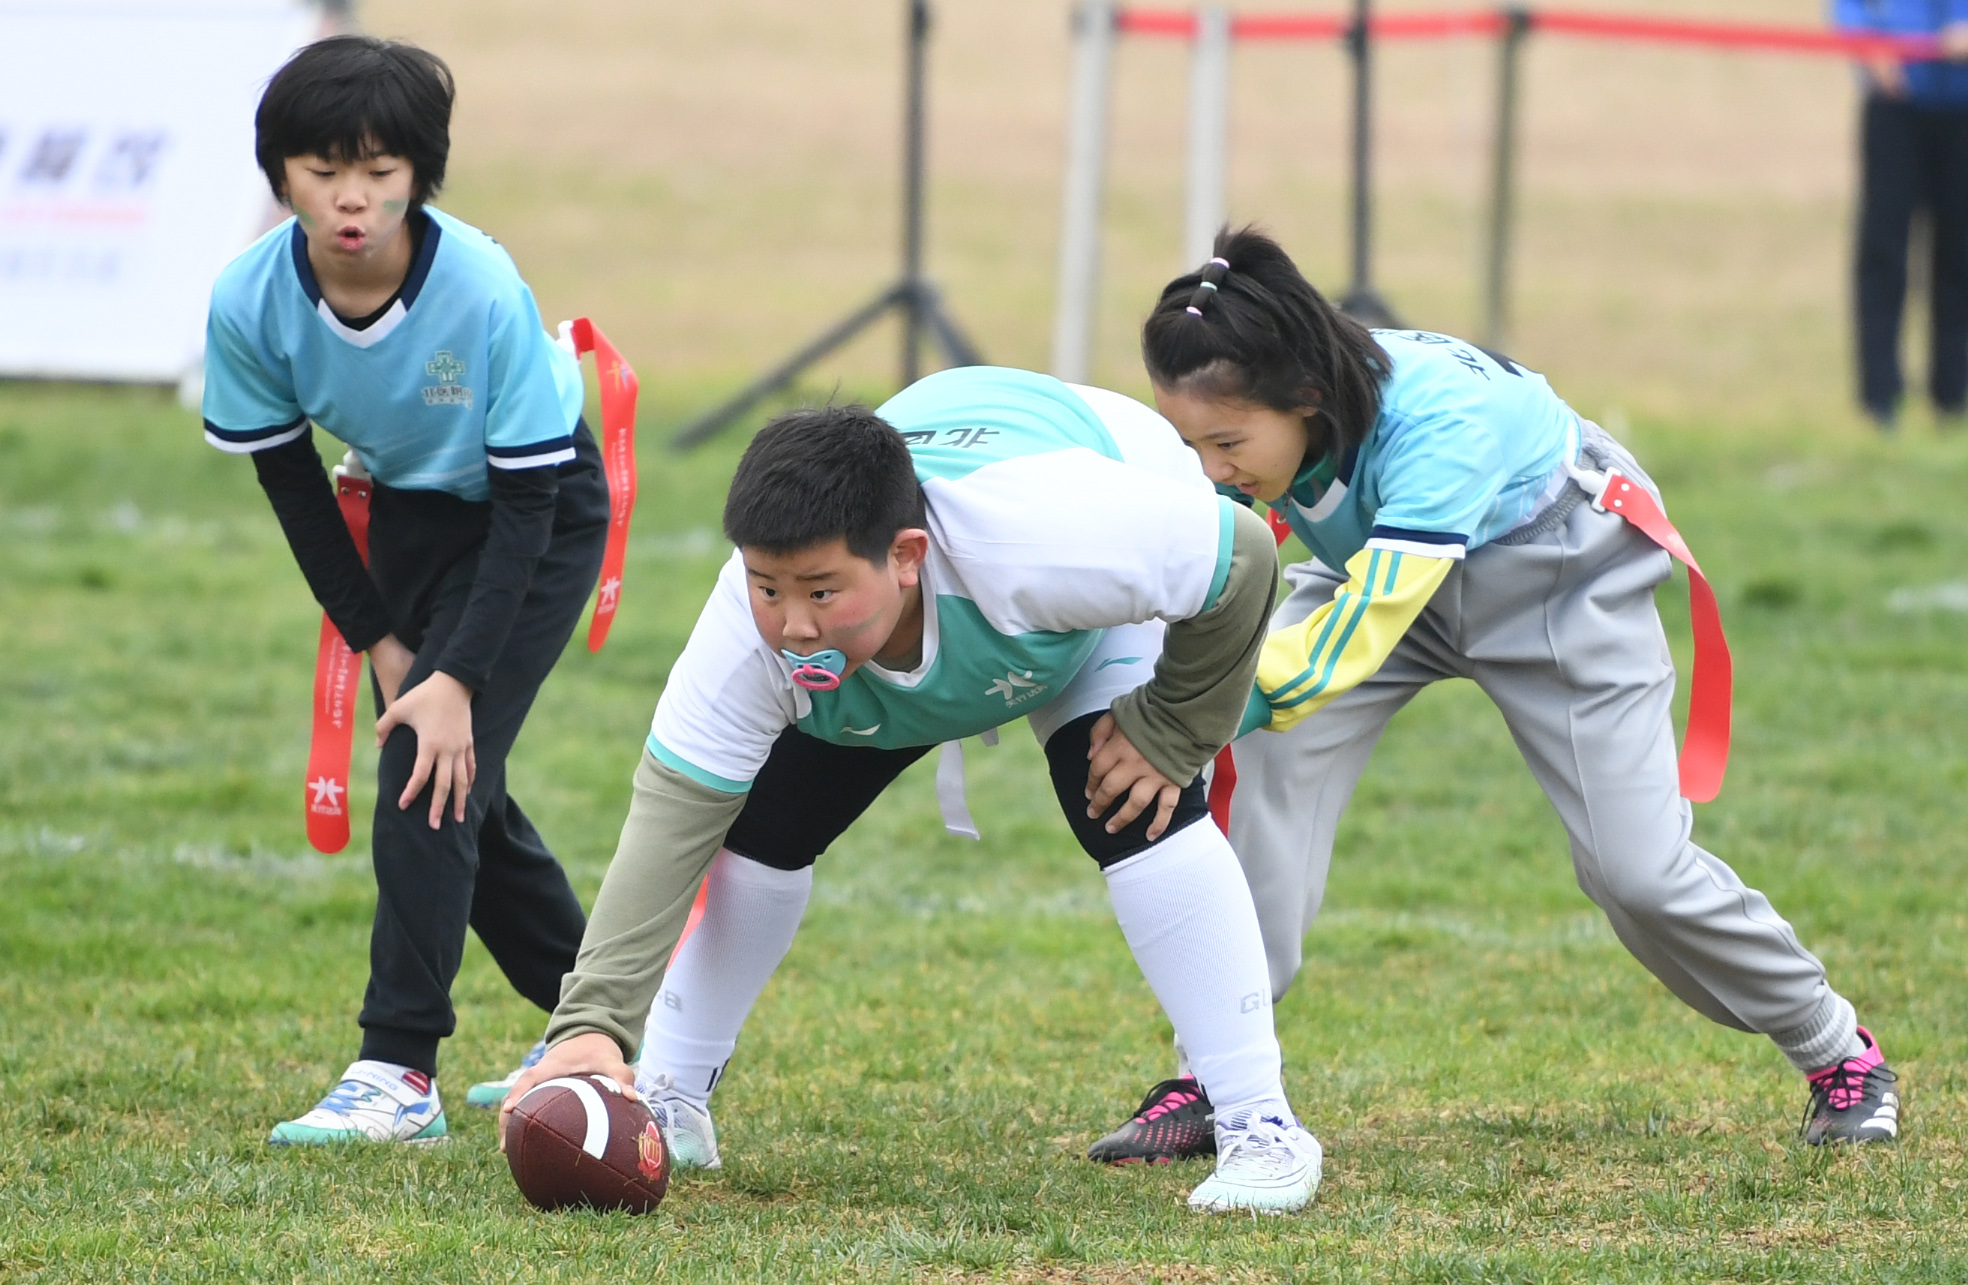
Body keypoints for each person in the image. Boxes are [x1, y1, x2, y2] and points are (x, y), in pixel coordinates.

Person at [1088, 227, 1901, 1163]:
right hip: (1385, 570)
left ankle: (1839, 1053)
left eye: (1225, 442)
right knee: (1264, 761)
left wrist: (1185, 716)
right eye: (1190, 442)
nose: (1210, 468)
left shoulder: (1440, 424)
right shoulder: (1286, 405)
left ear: (1305, 398)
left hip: (1556, 578)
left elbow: (1365, 627)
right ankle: (1219, 1077)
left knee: (1635, 871)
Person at [501, 369, 1324, 1213]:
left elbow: (1243, 557)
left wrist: (1174, 730)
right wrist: (589, 1027)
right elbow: (669, 828)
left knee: (1133, 809)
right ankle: (671, 1093)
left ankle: (1261, 1123)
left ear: (905, 556)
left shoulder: (1047, 538)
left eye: (822, 591)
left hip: (1079, 593)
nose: (794, 626)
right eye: (768, 589)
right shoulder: (749, 633)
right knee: (761, 825)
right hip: (920, 617)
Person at [200, 36, 606, 1144]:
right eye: (324, 170)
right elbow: (293, 489)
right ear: (280, 172)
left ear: (420, 176)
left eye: (381, 173)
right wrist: (379, 638)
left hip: (539, 509)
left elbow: (531, 505)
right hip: (414, 515)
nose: (352, 200)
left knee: (427, 762)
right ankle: (601, 1024)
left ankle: (398, 1071)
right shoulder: (249, 300)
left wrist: (457, 674)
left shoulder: (478, 288)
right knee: (456, 776)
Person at [1833, 0, 1968, 424]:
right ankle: (1880, 400)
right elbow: (1849, 7)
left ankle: (1952, 399)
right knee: (1883, 250)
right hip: (1894, 102)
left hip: (1961, 108)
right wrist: (1868, 45)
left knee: (1959, 255)